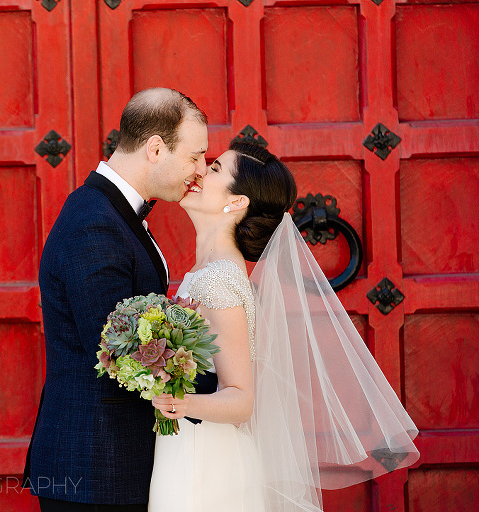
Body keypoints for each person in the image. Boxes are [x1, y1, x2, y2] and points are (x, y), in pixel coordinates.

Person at [148, 141, 419, 511]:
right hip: (188, 445)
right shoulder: (204, 274)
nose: (199, 171)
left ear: (237, 202)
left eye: (214, 170)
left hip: (206, 461)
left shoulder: (222, 282)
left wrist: (174, 401)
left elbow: (241, 400)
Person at [23, 87, 209, 511]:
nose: (200, 170)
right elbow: (117, 352)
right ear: (156, 149)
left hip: (109, 466)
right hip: (94, 469)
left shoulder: (111, 213)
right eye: (195, 155)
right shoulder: (95, 223)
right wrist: (226, 395)